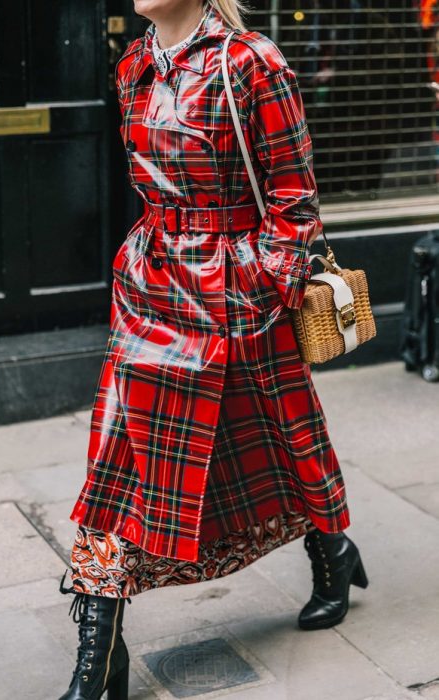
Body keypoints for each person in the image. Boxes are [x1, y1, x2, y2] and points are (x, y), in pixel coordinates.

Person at [57, 1, 369, 698]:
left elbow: (293, 195)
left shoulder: (251, 61)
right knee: (117, 454)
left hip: (235, 286)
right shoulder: (134, 62)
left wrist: (264, 281)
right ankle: (99, 645)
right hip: (151, 280)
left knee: (280, 430)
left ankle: (333, 552)